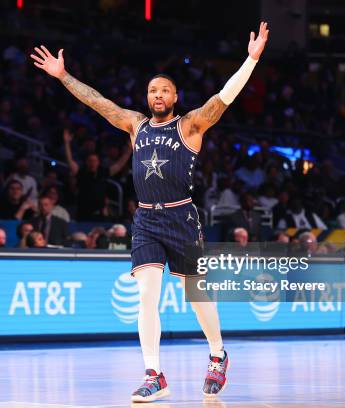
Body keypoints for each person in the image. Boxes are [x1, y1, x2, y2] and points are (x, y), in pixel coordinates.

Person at [31, 20, 269, 401]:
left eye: (165, 91)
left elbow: (224, 96)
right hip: (146, 219)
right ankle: (154, 373)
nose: (157, 95)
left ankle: (218, 353)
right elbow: (98, 102)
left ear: (175, 97)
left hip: (182, 216)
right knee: (147, 295)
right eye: (152, 90)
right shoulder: (135, 125)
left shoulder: (191, 125)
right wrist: (63, 76)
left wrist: (251, 60)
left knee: (195, 294)